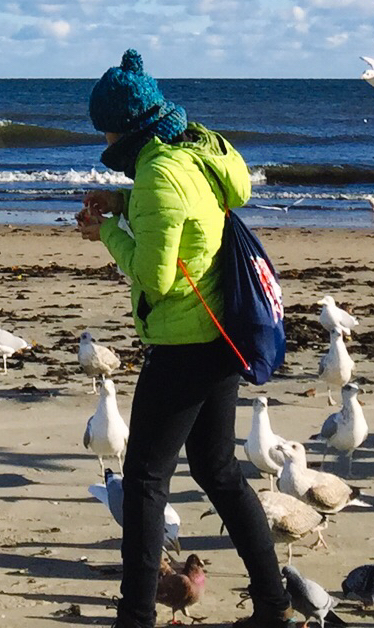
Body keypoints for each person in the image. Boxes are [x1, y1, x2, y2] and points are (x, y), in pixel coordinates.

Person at [75, 48, 286, 628]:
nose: (106, 135)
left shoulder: (157, 175)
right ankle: (273, 604)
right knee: (217, 469)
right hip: (221, 336)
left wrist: (108, 233)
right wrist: (125, 207)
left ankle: (135, 617)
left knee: (144, 481)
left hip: (186, 343)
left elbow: (157, 278)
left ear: (124, 127)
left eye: (107, 126)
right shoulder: (192, 153)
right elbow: (186, 216)